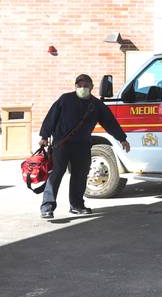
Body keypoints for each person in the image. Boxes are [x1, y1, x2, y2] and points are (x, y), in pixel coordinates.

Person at [38, 74, 130, 219]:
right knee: (56, 174)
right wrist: (44, 136)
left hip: (82, 145)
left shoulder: (96, 105)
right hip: (62, 143)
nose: (82, 88)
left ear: (92, 87)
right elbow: (51, 117)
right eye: (79, 85)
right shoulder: (65, 99)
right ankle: (47, 207)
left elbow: (109, 122)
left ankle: (77, 205)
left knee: (80, 176)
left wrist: (122, 138)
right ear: (75, 86)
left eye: (86, 85)